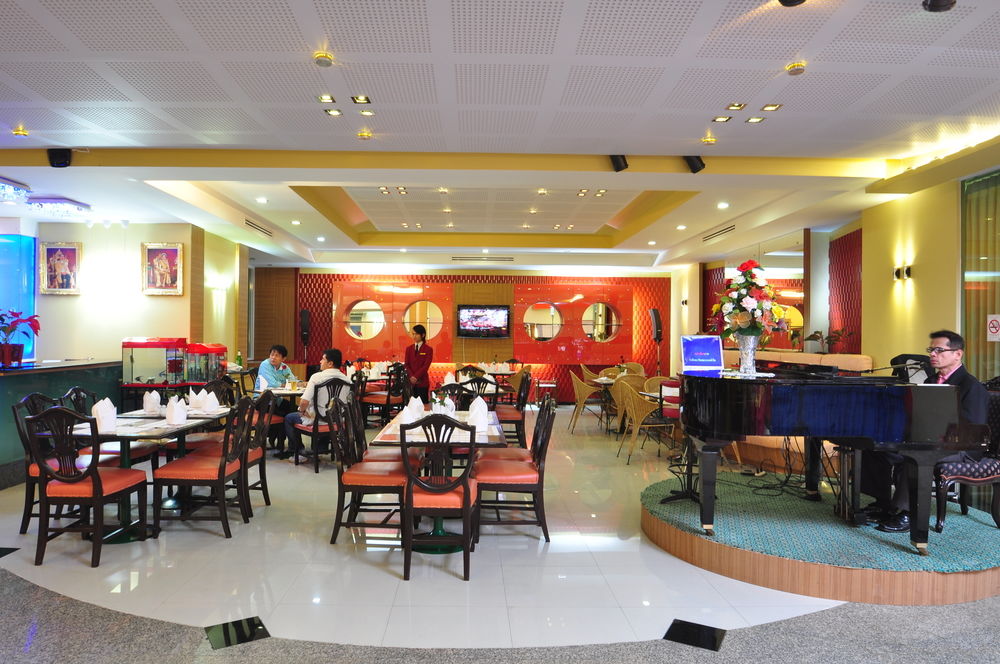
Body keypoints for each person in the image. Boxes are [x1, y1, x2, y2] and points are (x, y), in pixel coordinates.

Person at [861, 330, 989, 532]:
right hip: (929, 439)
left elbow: (974, 429)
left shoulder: (971, 386)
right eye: (931, 350)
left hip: (963, 447)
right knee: (877, 448)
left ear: (958, 354)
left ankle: (908, 513)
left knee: (917, 454)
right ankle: (883, 503)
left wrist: (938, 436)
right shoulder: (930, 381)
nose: (932, 354)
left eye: (939, 350)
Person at [279, 348, 349, 459]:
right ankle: (321, 447)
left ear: (330, 363)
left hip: (318, 420)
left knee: (289, 418)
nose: (320, 361)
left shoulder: (316, 377)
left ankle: (298, 451)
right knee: (324, 413)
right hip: (337, 420)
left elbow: (304, 402)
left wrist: (301, 411)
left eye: (323, 359)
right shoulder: (347, 380)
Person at [257, 344, 298, 415]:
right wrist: (287, 385)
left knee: (297, 410)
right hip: (262, 400)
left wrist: (300, 383)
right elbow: (272, 384)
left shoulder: (284, 367)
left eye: (277, 355)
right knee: (285, 414)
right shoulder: (265, 365)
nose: (273, 357)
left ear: (283, 358)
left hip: (277, 400)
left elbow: (291, 379)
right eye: (272, 355)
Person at [404, 324, 433, 402]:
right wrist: (411, 376)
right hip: (410, 383)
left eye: (416, 334)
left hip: (422, 382)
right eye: (413, 334)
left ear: (423, 335)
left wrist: (416, 376)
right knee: (411, 405)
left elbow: (426, 365)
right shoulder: (409, 349)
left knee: (423, 405)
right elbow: (406, 364)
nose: (414, 336)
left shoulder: (428, 349)